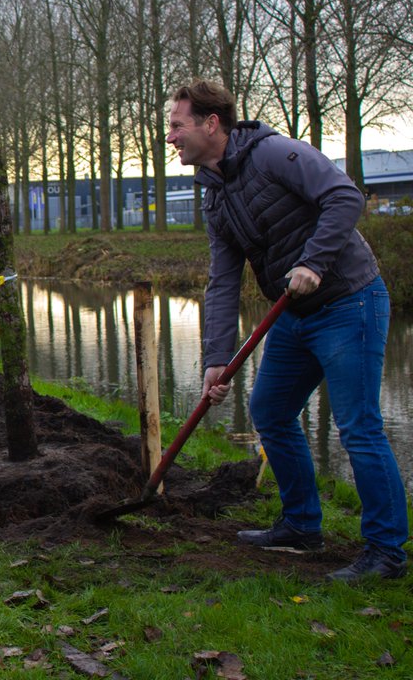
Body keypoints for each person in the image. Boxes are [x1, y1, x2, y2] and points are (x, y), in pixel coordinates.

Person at [167, 79, 408, 582]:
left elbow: (344, 196)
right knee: (271, 411)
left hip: (349, 301)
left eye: (177, 125)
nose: (170, 137)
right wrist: (217, 359)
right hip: (294, 314)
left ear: (211, 124)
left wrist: (315, 262)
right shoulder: (213, 194)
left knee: (358, 426)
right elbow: (223, 280)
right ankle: (301, 525)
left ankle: (386, 552)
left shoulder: (275, 153)